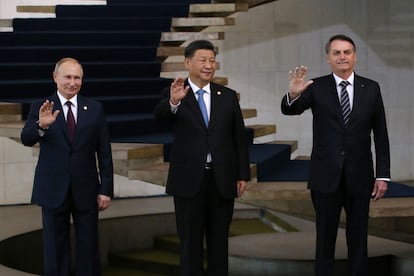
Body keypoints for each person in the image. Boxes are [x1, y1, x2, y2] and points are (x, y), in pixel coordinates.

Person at [281, 34, 390, 276]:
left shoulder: (371, 88)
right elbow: (290, 110)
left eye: (347, 52)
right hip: (325, 177)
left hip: (360, 177)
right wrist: (294, 94)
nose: (342, 56)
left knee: (359, 238)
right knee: (325, 241)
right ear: (328, 58)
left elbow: (381, 134)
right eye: (336, 53)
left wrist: (383, 175)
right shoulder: (315, 87)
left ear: (355, 57)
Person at [154, 40, 251, 275]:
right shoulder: (175, 92)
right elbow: (159, 117)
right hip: (188, 181)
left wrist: (242, 174)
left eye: (212, 60)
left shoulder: (227, 96)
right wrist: (174, 101)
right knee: (190, 243)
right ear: (188, 63)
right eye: (203, 60)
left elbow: (239, 137)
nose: (209, 65)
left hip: (222, 180)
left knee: (219, 243)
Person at [21, 57, 114, 276]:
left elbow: (104, 152)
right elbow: (26, 138)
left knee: (88, 248)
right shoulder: (41, 107)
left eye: (77, 77)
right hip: (53, 189)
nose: (72, 82)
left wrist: (106, 189)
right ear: (55, 78)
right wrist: (40, 126)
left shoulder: (95, 108)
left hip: (87, 190)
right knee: (55, 248)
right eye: (67, 77)